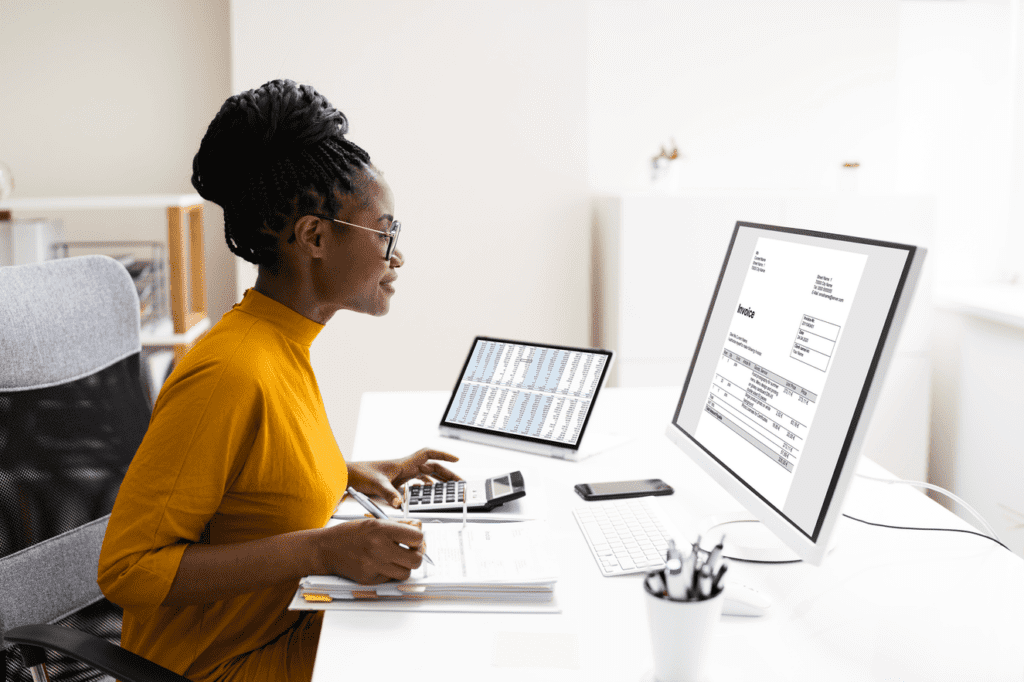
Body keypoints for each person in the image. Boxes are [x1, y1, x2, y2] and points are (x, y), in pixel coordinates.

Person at [98, 79, 459, 682]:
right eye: (385, 233)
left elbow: (251, 484)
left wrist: (345, 471)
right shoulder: (230, 372)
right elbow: (128, 570)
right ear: (314, 238)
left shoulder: (282, 342)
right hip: (220, 668)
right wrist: (320, 549)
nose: (398, 257)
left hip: (286, 630)